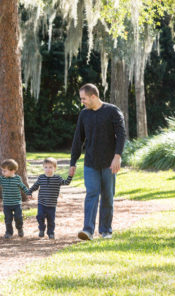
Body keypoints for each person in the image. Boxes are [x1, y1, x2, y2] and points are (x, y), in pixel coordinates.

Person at [69, 83, 126, 240]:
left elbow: (121, 135)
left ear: (93, 96)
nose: (82, 102)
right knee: (92, 194)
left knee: (107, 196)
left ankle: (106, 230)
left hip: (109, 163)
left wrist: (117, 156)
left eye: (84, 99)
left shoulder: (112, 111)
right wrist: (73, 161)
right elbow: (78, 139)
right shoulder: (84, 115)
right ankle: (87, 230)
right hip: (90, 163)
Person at [0, 158, 32, 238]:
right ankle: (9, 233)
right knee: (8, 219)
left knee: (18, 218)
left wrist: (28, 193)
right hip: (7, 204)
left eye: (4, 171)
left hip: (17, 203)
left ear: (12, 170)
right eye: (2, 170)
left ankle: (20, 228)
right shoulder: (2, 179)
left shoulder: (17, 178)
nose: (2, 172)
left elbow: (23, 186)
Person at [27, 157, 73, 239]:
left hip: (52, 204)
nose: (48, 169)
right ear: (43, 168)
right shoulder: (41, 177)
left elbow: (66, 183)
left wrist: (70, 175)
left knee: (51, 220)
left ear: (55, 168)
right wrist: (29, 192)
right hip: (42, 202)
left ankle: (51, 233)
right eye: (46, 167)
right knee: (40, 216)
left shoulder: (57, 178)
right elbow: (35, 186)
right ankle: (41, 229)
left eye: (50, 167)